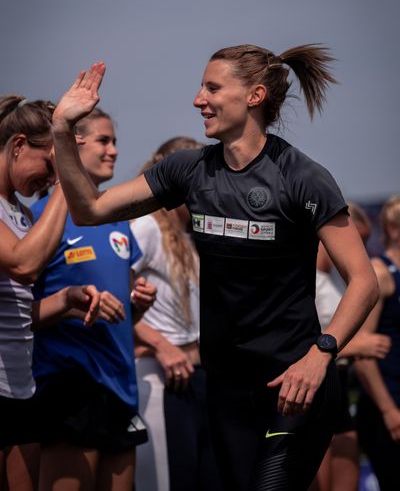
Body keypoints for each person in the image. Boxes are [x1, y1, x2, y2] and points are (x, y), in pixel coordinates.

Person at [51, 47, 379, 491]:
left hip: (294, 386)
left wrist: (321, 355)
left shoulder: (302, 177)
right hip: (226, 390)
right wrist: (62, 128)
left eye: (212, 88)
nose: (197, 99)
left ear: (255, 95)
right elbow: (89, 209)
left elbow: (364, 281)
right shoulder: (188, 171)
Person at [31, 107, 156, 491]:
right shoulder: (38, 219)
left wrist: (136, 306)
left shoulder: (115, 219)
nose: (114, 151)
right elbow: (18, 313)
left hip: (121, 383)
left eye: (115, 141)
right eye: (104, 140)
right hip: (69, 384)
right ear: (72, 143)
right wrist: (70, 302)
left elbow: (121, 316)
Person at [0, 95, 100, 491]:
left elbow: (17, 313)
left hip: (21, 388)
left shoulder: (21, 214)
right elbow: (24, 265)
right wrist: (65, 180)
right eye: (49, 162)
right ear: (19, 144)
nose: (48, 176)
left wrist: (66, 301)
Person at [131, 136, 221, 491]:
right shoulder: (146, 226)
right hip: (162, 379)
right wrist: (160, 346)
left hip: (199, 378)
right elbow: (114, 297)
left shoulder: (193, 234)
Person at [311, 203, 391, 491]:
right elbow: (300, 349)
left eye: (365, 243)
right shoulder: (307, 280)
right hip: (315, 392)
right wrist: (358, 345)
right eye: (357, 240)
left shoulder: (338, 280)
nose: (359, 250)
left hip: (341, 388)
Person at [354, 195, 400, 491]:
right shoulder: (381, 272)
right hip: (389, 404)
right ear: (393, 228)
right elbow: (363, 351)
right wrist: (389, 411)